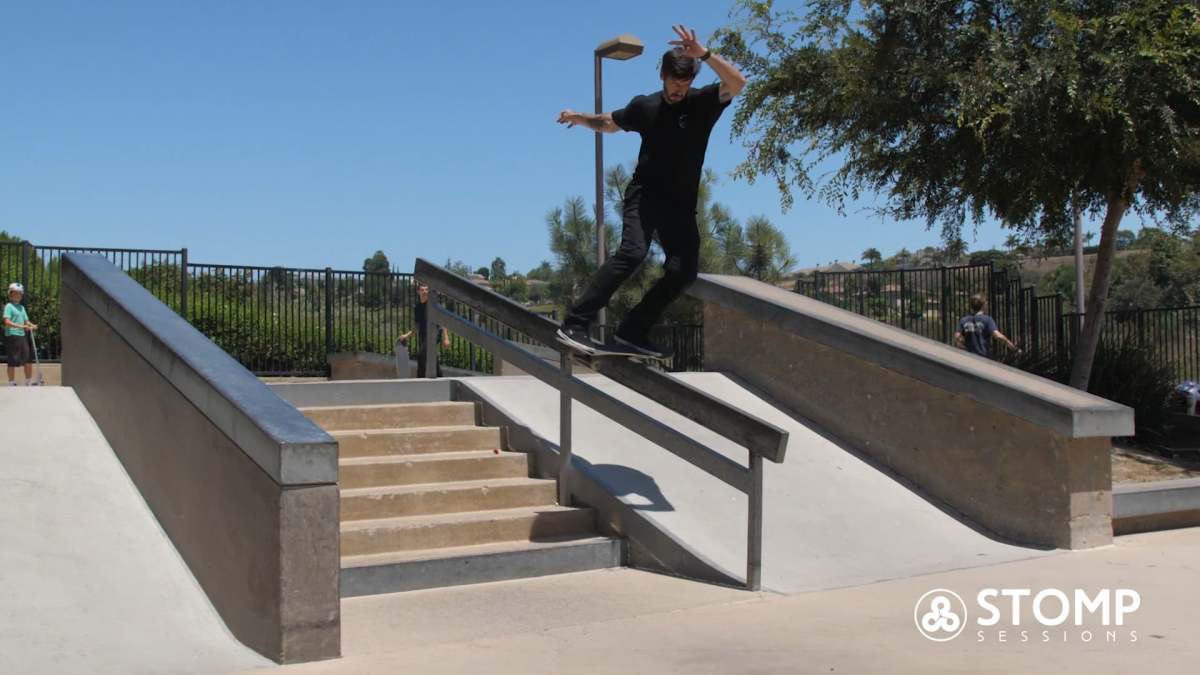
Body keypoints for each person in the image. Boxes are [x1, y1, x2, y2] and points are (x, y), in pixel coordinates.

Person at [555, 25, 746, 358]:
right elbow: (609, 123)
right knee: (633, 252)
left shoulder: (702, 103)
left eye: (684, 86)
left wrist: (704, 54)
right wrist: (580, 118)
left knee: (683, 271)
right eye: (674, 85)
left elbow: (738, 83)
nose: (678, 93)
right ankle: (574, 323)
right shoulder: (646, 107)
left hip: (681, 205)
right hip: (645, 196)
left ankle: (632, 330)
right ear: (662, 75)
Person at [399, 283, 451, 378]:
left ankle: (420, 379)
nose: (424, 292)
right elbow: (417, 326)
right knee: (430, 357)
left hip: (434, 333)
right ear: (418, 292)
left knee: (421, 355)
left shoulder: (434, 305)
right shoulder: (417, 308)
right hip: (423, 335)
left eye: (426, 290)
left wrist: (446, 338)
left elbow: (443, 322)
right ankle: (440, 378)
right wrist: (406, 335)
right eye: (422, 290)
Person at [4, 282, 39, 386]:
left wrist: (32, 325)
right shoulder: (9, 306)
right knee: (12, 360)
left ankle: (28, 381)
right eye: (15, 293)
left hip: (22, 335)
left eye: (19, 294)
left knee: (28, 358)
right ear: (10, 294)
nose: (17, 296)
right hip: (12, 335)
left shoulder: (22, 308)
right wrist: (22, 327)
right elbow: (7, 322)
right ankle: (11, 382)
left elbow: (26, 321)